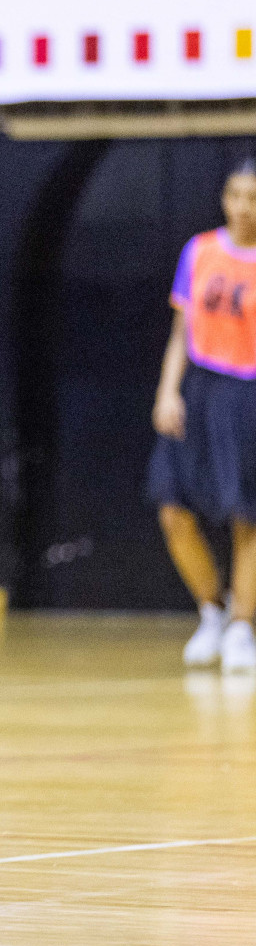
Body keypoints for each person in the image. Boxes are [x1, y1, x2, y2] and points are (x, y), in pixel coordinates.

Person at [148, 157, 256, 674]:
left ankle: (242, 626)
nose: (242, 207)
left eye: (252, 197)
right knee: (172, 507)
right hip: (199, 386)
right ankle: (211, 611)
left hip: (248, 390)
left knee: (247, 516)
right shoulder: (201, 250)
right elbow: (180, 331)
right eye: (235, 195)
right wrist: (169, 391)